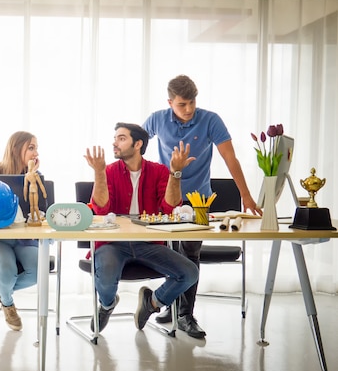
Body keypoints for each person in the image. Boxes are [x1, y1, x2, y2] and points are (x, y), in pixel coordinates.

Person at [142, 74, 261, 339]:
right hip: (166, 199)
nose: (189, 109)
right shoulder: (157, 119)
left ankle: (184, 315)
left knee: (190, 254)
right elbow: (136, 145)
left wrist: (247, 196)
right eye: (182, 104)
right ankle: (169, 305)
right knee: (169, 255)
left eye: (192, 102)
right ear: (170, 102)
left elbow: (230, 159)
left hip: (199, 201)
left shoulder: (210, 120)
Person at [84, 123, 199, 333]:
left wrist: (175, 173)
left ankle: (152, 303)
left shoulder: (158, 171)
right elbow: (101, 209)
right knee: (107, 276)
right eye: (115, 138)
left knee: (189, 273)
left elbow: (170, 207)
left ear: (137, 144)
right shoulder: (109, 171)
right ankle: (107, 305)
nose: (114, 143)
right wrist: (99, 173)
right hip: (112, 244)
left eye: (121, 138)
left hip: (149, 243)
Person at [0, 131, 41, 331]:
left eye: (36, 148)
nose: (36, 153)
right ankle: (8, 303)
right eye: (31, 147)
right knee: (5, 272)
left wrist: (33, 182)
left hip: (23, 238)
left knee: (38, 271)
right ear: (15, 149)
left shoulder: (34, 177)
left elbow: (39, 212)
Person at [23, 158, 47, 225]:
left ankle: (38, 219)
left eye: (31, 165)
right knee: (32, 206)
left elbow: (40, 184)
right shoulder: (27, 175)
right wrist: (25, 195)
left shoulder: (35, 174)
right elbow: (25, 186)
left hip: (34, 189)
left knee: (35, 206)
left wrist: (44, 192)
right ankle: (33, 219)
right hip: (31, 189)